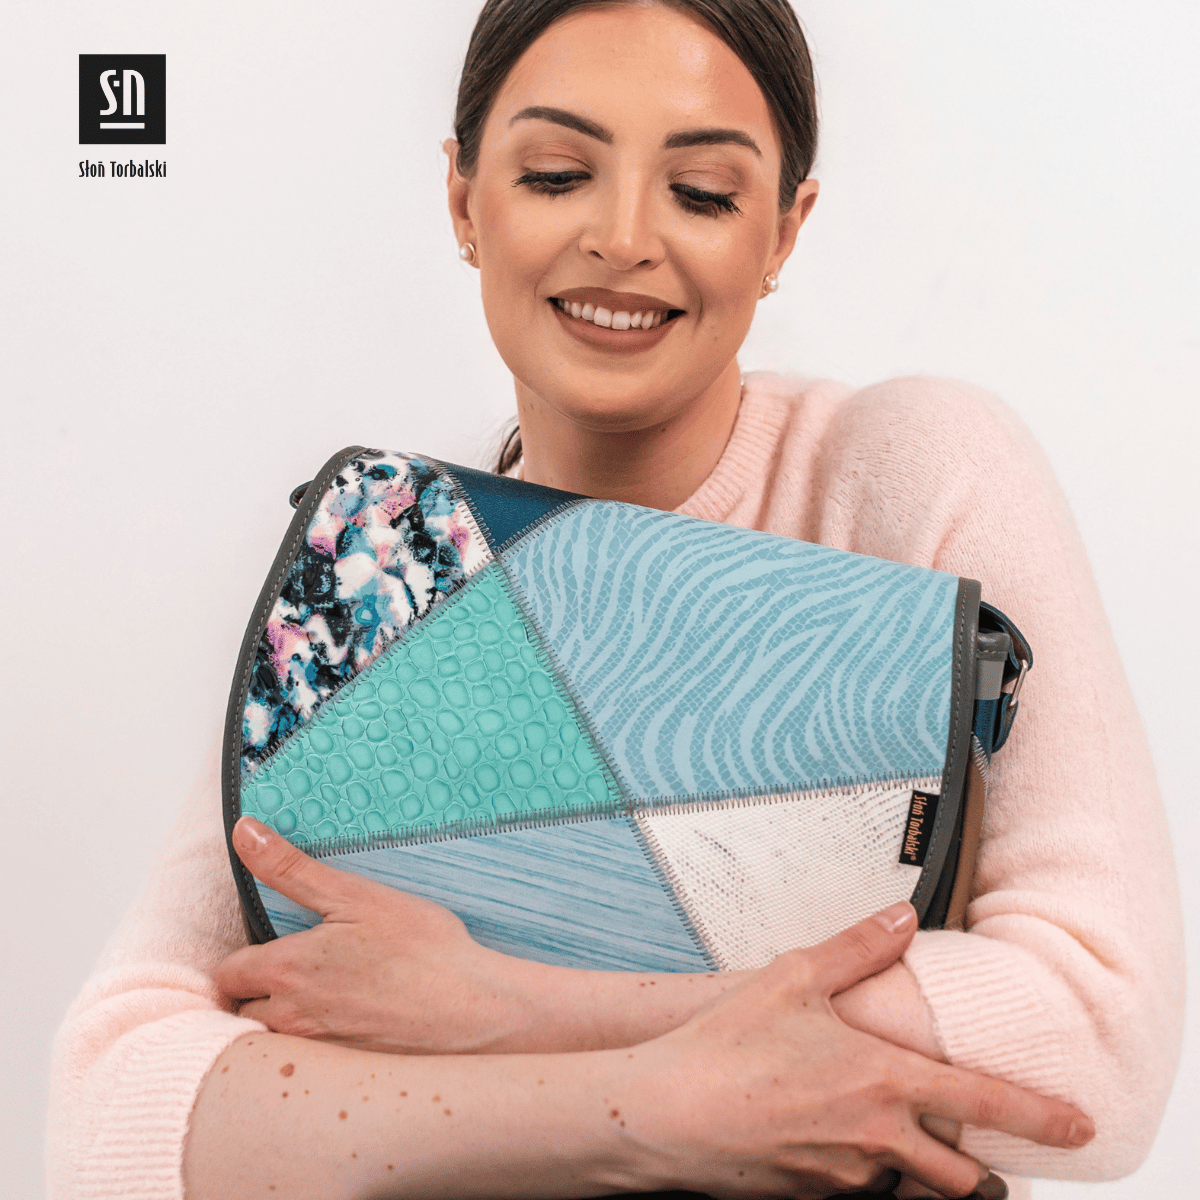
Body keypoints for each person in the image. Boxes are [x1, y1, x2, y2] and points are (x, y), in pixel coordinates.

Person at [46, 2, 1184, 1198]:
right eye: (556, 174)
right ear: (464, 200)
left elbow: (1099, 1048)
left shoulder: (906, 472)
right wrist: (639, 1106)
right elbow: (109, 1110)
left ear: (784, 230)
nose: (624, 239)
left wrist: (508, 1009)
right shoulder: (388, 559)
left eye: (701, 192)